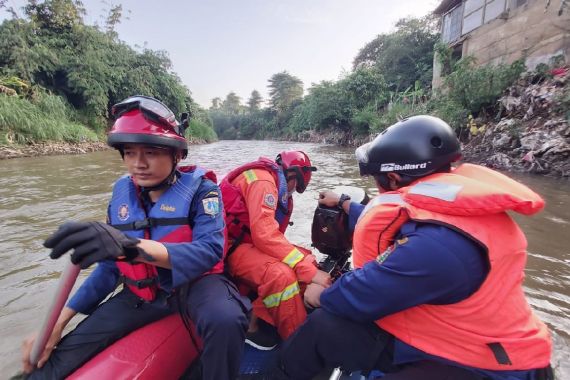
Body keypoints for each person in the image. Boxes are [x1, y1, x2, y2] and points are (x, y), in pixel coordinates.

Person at [275, 115, 553, 379]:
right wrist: (346, 202)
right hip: (474, 340)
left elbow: (362, 293)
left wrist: (320, 296)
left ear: (394, 178)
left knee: (321, 325)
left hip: (479, 367)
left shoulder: (434, 248)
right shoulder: (456, 209)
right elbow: (399, 213)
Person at [22, 96, 251, 380]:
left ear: (176, 155)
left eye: (151, 152)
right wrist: (58, 322)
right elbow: (108, 269)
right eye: (130, 153)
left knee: (225, 318)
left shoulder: (204, 193)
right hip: (141, 294)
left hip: (196, 286)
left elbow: (209, 251)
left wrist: (129, 247)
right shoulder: (121, 197)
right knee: (55, 363)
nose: (138, 164)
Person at [220, 151, 332, 349]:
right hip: (229, 248)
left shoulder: (278, 188)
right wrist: (307, 271)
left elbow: (271, 236)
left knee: (307, 257)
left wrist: (305, 264)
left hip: (248, 243)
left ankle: (255, 316)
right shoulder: (263, 182)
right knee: (281, 276)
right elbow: (264, 234)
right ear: (292, 176)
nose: (292, 192)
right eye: (295, 186)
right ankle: (298, 345)